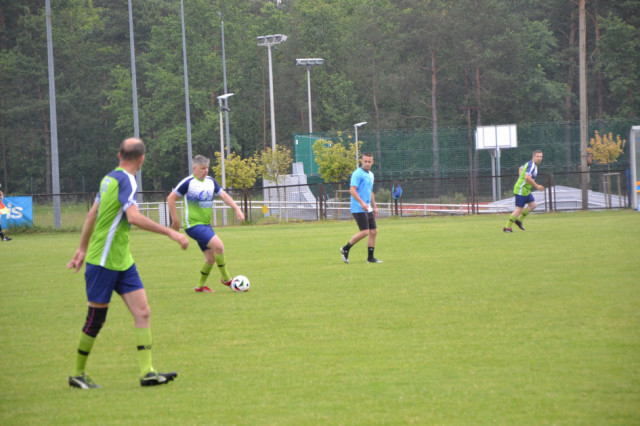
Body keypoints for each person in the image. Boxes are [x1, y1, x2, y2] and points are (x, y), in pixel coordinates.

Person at [67, 137, 189, 389]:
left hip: (122, 261)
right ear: (142, 158)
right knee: (96, 318)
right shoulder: (127, 180)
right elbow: (133, 217)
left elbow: (91, 214)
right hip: (103, 261)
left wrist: (81, 249)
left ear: (119, 155)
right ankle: (77, 374)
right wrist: (171, 232)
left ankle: (147, 372)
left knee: (142, 312)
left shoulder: (108, 178)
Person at [167, 155, 245, 293]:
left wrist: (237, 208)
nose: (206, 171)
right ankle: (226, 279)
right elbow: (171, 198)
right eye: (203, 168)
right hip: (193, 225)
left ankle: (200, 286)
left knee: (210, 258)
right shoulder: (188, 182)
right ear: (195, 168)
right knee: (219, 246)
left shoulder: (211, 181)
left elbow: (224, 196)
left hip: (206, 225)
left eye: (207, 167)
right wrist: (175, 220)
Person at [340, 152, 382, 264]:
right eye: (365, 161)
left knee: (374, 231)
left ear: (372, 162)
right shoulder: (357, 174)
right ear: (362, 161)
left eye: (369, 161)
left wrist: (375, 206)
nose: (367, 163)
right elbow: (352, 190)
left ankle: (370, 258)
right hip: (358, 207)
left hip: (367, 207)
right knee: (365, 231)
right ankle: (345, 248)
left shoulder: (371, 175)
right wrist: (362, 203)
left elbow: (370, 191)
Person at [504, 150, 545, 233]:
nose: (539, 158)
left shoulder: (532, 164)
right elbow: (527, 177)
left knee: (533, 205)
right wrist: (537, 186)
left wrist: (521, 178)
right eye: (537, 156)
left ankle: (519, 220)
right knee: (519, 209)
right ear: (533, 157)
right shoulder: (531, 165)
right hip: (521, 189)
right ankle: (507, 227)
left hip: (526, 189)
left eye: (540, 157)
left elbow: (520, 168)